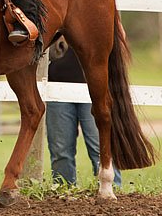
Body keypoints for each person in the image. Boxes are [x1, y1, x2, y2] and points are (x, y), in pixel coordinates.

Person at [45, 37, 122, 187]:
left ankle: (112, 188)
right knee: (60, 150)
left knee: (100, 146)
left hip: (94, 87)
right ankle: (63, 192)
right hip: (57, 87)